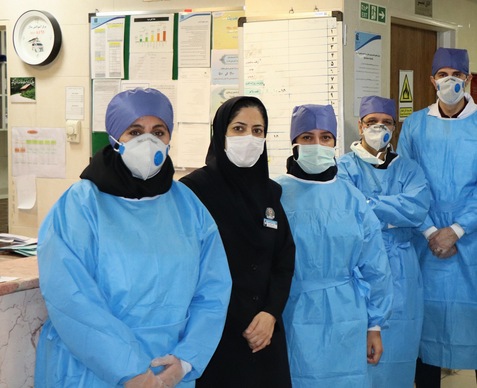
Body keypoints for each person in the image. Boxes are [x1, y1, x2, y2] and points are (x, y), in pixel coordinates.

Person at [35, 88, 232, 388]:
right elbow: (71, 297)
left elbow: (213, 290)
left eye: (158, 132)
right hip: (94, 369)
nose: (148, 141)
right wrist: (130, 371)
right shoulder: (81, 204)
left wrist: (185, 360)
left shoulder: (188, 206)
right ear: (115, 138)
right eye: (135, 132)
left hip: (169, 370)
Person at [398, 47, 477, 388]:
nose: (450, 81)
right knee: (426, 331)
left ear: (468, 79)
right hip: (426, 241)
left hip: (474, 240)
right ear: (432, 80)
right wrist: (430, 229)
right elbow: (405, 181)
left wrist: (457, 229)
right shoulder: (415, 125)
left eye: (457, 75)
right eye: (443, 75)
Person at [275, 104, 393, 388]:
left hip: (347, 317)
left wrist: (374, 325)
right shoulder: (275, 194)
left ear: (334, 143)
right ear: (294, 143)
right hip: (290, 314)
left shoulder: (352, 198)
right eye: (307, 137)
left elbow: (376, 267)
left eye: (325, 137)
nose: (317, 144)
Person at [180, 96, 295, 388]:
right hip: (215, 334)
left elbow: (283, 258)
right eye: (239, 128)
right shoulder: (193, 191)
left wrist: (270, 313)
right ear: (221, 133)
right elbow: (187, 268)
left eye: (258, 131)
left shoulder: (270, 192)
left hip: (265, 332)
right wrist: (238, 317)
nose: (249, 138)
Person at [337, 95, 431, 388]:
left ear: (395, 128)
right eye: (372, 122)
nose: (379, 127)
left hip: (402, 266)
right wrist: (394, 213)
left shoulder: (410, 169)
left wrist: (368, 204)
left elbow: (417, 209)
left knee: (400, 348)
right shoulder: (342, 167)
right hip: (358, 263)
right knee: (357, 355)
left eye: (386, 122)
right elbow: (347, 211)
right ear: (360, 126)